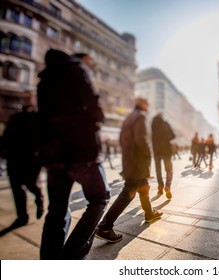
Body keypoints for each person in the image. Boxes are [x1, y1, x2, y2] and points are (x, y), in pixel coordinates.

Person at [37, 49, 110, 259]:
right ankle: (70, 256)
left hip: (54, 155)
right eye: (90, 61)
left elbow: (43, 117)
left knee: (57, 210)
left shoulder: (44, 78)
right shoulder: (78, 69)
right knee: (99, 199)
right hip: (82, 151)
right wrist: (97, 119)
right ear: (82, 59)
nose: (91, 65)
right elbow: (92, 102)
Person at [95, 97, 163, 243]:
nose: (148, 106)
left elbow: (121, 139)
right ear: (143, 104)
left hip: (130, 160)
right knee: (128, 193)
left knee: (144, 187)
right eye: (147, 104)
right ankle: (105, 227)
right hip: (137, 162)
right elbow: (141, 138)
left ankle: (149, 213)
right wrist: (148, 154)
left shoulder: (129, 117)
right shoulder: (141, 116)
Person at [0, 100, 44, 229]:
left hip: (29, 158)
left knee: (26, 184)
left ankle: (37, 198)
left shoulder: (36, 118)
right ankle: (23, 215)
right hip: (17, 157)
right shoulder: (16, 118)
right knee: (19, 186)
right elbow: (6, 137)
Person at [151, 113, 175, 199]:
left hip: (156, 151)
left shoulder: (153, 126)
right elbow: (173, 136)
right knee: (169, 169)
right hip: (166, 151)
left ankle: (160, 186)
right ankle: (167, 186)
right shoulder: (165, 124)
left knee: (158, 170)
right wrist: (167, 138)